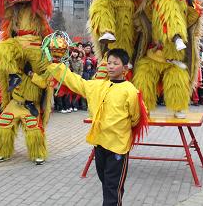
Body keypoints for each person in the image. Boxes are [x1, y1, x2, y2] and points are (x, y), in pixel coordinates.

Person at [45, 48, 148, 206]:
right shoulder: (98, 86)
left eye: (116, 63)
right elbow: (77, 82)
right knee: (105, 181)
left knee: (113, 188)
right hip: (100, 144)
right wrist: (56, 66)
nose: (111, 66)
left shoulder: (131, 91)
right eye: (109, 63)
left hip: (118, 147)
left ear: (125, 68)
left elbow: (136, 118)